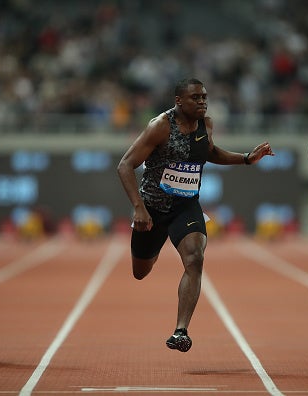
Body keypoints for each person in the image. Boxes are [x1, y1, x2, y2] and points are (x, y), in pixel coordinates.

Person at [117, 78, 274, 351]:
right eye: (195, 98)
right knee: (140, 271)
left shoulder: (206, 124)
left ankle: (180, 331)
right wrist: (139, 207)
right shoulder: (160, 126)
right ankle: (153, 247)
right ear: (179, 101)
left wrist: (246, 158)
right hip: (153, 209)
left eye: (204, 97)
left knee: (195, 257)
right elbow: (125, 165)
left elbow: (209, 152)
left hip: (186, 205)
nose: (202, 102)